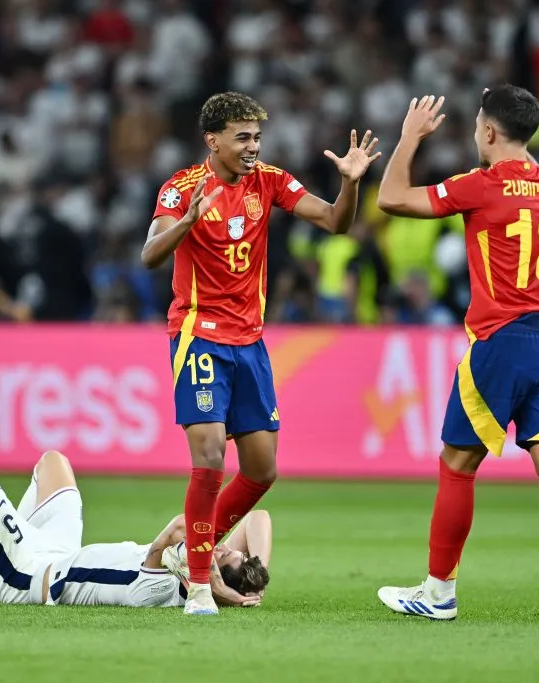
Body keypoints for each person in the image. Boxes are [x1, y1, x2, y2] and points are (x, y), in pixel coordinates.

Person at [374, 86, 539, 626]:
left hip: (504, 340)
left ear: (487, 132)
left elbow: (391, 199)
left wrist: (409, 138)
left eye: (479, 121)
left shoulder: (479, 186)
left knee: (457, 466)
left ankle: (438, 592)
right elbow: (521, 170)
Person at [141, 91, 380, 615]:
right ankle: (199, 587)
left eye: (257, 138)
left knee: (262, 470)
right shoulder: (181, 188)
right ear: (214, 140)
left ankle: (189, 548)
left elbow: (336, 222)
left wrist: (350, 183)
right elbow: (150, 254)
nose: (253, 147)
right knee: (208, 459)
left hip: (249, 342)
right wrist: (188, 221)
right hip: (199, 335)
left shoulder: (268, 181)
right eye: (242, 138)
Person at [0, 448, 271, 608]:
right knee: (52, 462)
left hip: (28, 574)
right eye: (225, 548)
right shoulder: (196, 567)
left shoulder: (167, 583)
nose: (216, 547)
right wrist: (252, 584)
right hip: (59, 552)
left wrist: (216, 590)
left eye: (222, 555)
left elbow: (183, 526)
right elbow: (257, 519)